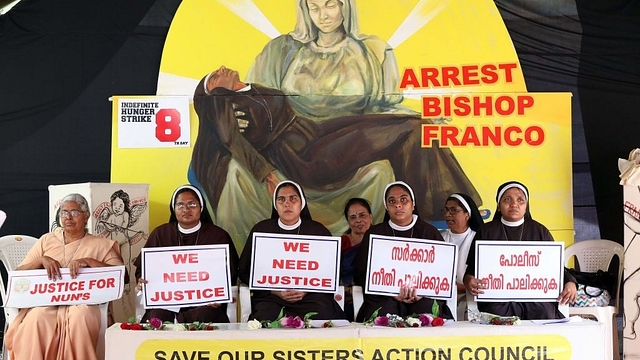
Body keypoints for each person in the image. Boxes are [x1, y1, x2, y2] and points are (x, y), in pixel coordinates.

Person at [191, 66, 481, 232]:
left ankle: (442, 210)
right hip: (302, 158)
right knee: (411, 132)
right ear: (216, 92)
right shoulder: (220, 102)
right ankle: (439, 212)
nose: (220, 70)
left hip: (313, 134)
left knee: (413, 127)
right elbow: (231, 138)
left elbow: (320, 122)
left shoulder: (253, 90)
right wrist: (266, 175)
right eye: (213, 79)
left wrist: (405, 115)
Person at [4, 193, 124, 360]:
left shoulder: (101, 244)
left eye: (74, 212)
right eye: (63, 212)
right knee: (36, 319)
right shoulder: (47, 240)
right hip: (46, 302)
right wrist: (40, 260)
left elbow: (120, 274)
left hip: (84, 303)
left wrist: (90, 261)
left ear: (86, 216)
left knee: (80, 318)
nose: (68, 217)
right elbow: (19, 272)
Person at [463, 181, 578, 319]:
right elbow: (470, 271)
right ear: (499, 206)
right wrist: (469, 280)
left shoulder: (540, 231)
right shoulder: (486, 231)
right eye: (507, 199)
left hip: (535, 299)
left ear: (526, 206)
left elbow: (556, 268)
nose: (514, 204)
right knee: (496, 313)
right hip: (499, 299)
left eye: (520, 200)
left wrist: (570, 282)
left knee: (543, 311)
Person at [238, 180, 346, 321]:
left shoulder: (318, 231)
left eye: (293, 198)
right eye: (281, 199)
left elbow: (332, 272)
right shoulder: (262, 230)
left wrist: (307, 290)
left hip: (310, 297)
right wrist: (274, 291)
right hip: (272, 298)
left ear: (302, 203)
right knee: (266, 314)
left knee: (324, 312)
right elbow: (245, 270)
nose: (287, 204)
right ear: (275, 205)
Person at [133, 185, 239, 323]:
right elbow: (143, 270)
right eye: (180, 205)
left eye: (192, 204)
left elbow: (230, 273)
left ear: (201, 207)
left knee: (204, 315)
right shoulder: (161, 234)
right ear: (174, 209)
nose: (186, 209)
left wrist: (219, 295)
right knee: (157, 317)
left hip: (205, 303)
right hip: (167, 302)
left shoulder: (218, 236)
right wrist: (142, 281)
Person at [352, 181, 454, 322]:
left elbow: (443, 273)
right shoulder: (375, 234)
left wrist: (423, 292)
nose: (398, 205)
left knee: (427, 311)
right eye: (392, 201)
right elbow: (361, 271)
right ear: (387, 208)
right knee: (385, 312)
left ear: (412, 205)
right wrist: (390, 292)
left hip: (423, 297)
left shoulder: (429, 232)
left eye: (403, 200)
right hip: (385, 298)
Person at [441, 193, 483, 320]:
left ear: (467, 215)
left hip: (472, 298)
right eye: (446, 210)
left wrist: (465, 286)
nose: (448, 214)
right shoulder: (439, 239)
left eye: (454, 210)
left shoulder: (478, 239)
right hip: (443, 299)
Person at [340, 197, 373, 320]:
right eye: (353, 217)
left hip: (374, 297)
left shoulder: (381, 241)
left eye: (362, 215)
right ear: (348, 222)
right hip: (346, 295)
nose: (358, 220)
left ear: (371, 217)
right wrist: (347, 291)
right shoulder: (342, 242)